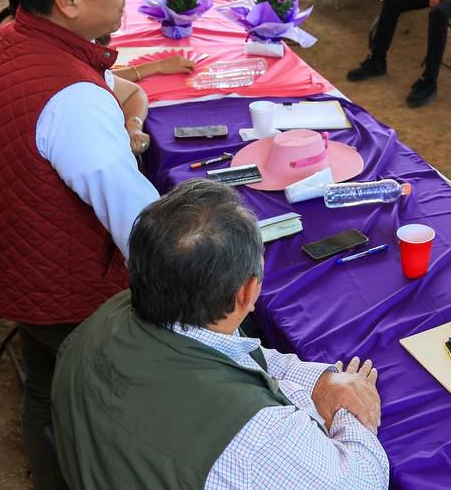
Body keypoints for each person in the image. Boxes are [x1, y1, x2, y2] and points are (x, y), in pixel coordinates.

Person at [0, 0, 160, 489]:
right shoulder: (72, 97)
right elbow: (143, 230)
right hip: (73, 295)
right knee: (111, 413)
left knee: (45, 385)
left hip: (18, 269)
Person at [52, 180, 388, 490]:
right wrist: (349, 408)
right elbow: (364, 480)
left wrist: (324, 383)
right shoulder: (256, 439)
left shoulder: (109, 314)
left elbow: (236, 354)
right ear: (247, 292)